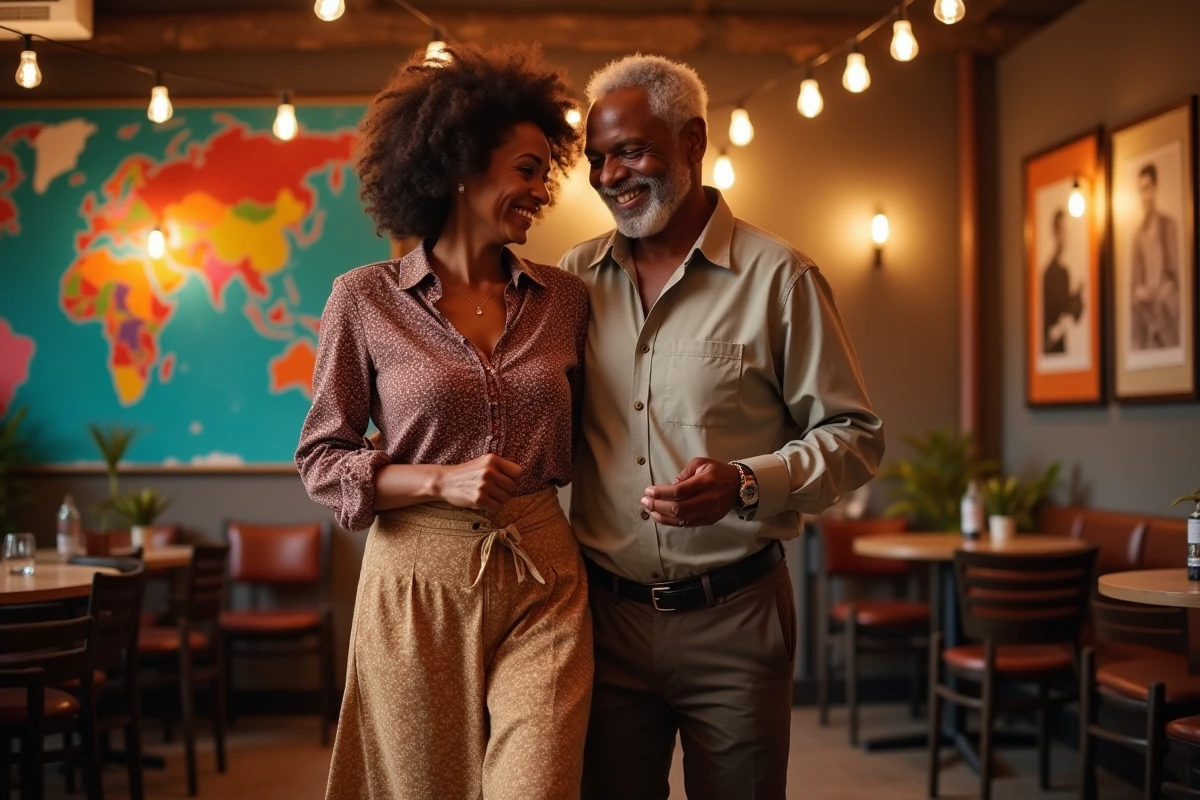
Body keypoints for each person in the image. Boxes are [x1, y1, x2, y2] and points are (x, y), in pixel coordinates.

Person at [559, 54, 885, 800]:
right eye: (596, 159)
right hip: (601, 623)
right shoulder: (569, 283)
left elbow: (856, 435)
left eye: (631, 151)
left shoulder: (783, 279)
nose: (610, 176)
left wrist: (746, 484)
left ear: (693, 141)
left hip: (736, 622)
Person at [295, 42, 592, 800]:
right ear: (461, 165)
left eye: (544, 172)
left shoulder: (566, 301)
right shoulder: (365, 298)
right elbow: (322, 457)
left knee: (537, 786)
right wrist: (438, 479)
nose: (541, 192)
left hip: (542, 574)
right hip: (414, 585)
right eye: (526, 169)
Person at [1131, 162, 1181, 351]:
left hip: (1165, 306)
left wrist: (1161, 292)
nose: (1144, 196)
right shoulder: (1137, 236)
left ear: (1155, 188)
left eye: (1147, 189)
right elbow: (1135, 285)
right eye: (1140, 190)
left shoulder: (1169, 226)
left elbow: (1174, 276)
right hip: (1146, 311)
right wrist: (1142, 291)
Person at [1042, 208, 1084, 355]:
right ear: (1056, 233)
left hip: (1062, 348)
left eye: (1067, 231)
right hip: (1053, 348)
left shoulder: (1067, 271)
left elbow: (1074, 311)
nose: (1066, 236)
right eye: (1062, 231)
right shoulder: (1049, 273)